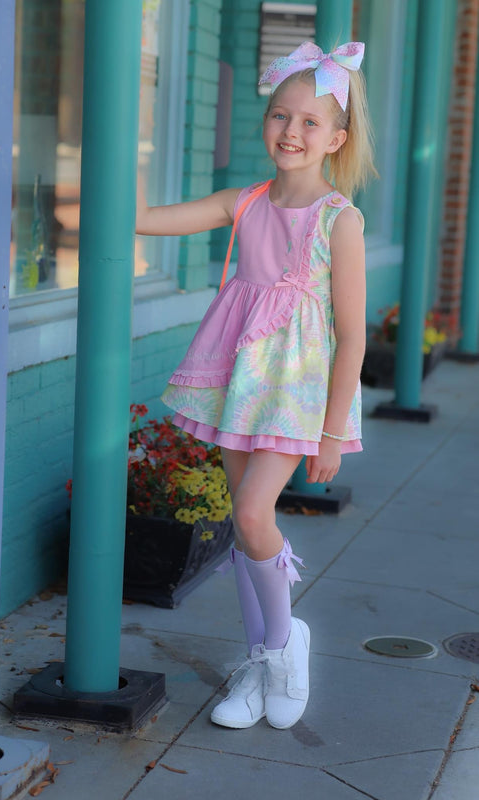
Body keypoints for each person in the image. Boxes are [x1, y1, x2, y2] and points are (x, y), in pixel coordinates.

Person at [136, 41, 376, 731]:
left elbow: (352, 335)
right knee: (246, 527)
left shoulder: (341, 220)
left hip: (295, 394)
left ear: (335, 138)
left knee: (249, 516)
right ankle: (260, 655)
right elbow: (148, 220)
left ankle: (283, 642)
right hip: (238, 379)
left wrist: (333, 428)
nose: (290, 133)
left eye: (308, 122)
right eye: (279, 116)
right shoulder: (243, 202)